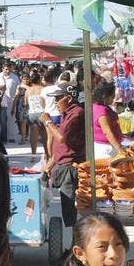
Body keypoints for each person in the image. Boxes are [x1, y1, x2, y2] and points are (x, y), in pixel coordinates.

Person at [41, 84, 85, 235]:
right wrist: (49, 165)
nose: (55, 102)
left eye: (58, 98)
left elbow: (61, 138)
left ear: (69, 98)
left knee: (70, 205)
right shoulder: (66, 113)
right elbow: (62, 147)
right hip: (63, 164)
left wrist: (48, 122)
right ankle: (74, 239)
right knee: (67, 206)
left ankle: (75, 241)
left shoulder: (76, 113)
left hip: (71, 166)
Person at [92, 82, 125, 159]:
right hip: (106, 150)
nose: (113, 98)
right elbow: (107, 132)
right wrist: (120, 149)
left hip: (106, 147)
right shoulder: (102, 111)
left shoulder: (97, 107)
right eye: (112, 96)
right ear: (104, 96)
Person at [0, 63, 20, 144]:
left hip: (11, 101)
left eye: (9, 69)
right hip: (0, 101)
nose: (8, 71)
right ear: (2, 69)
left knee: (11, 119)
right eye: (6, 69)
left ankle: (11, 136)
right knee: (1, 120)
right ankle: (1, 137)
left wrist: (14, 103)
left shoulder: (15, 77)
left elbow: (18, 91)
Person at [25, 71, 47, 161]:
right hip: (42, 113)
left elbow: (25, 103)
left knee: (33, 136)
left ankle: (33, 156)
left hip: (32, 113)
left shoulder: (28, 90)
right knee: (44, 136)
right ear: (39, 80)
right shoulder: (43, 89)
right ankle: (47, 155)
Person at [12, 74, 30, 145]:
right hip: (21, 106)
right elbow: (16, 97)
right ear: (22, 79)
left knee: (30, 122)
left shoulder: (31, 86)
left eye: (27, 79)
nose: (26, 80)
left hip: (30, 105)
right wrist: (13, 107)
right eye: (24, 79)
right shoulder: (19, 87)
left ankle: (27, 136)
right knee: (22, 123)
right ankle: (23, 138)